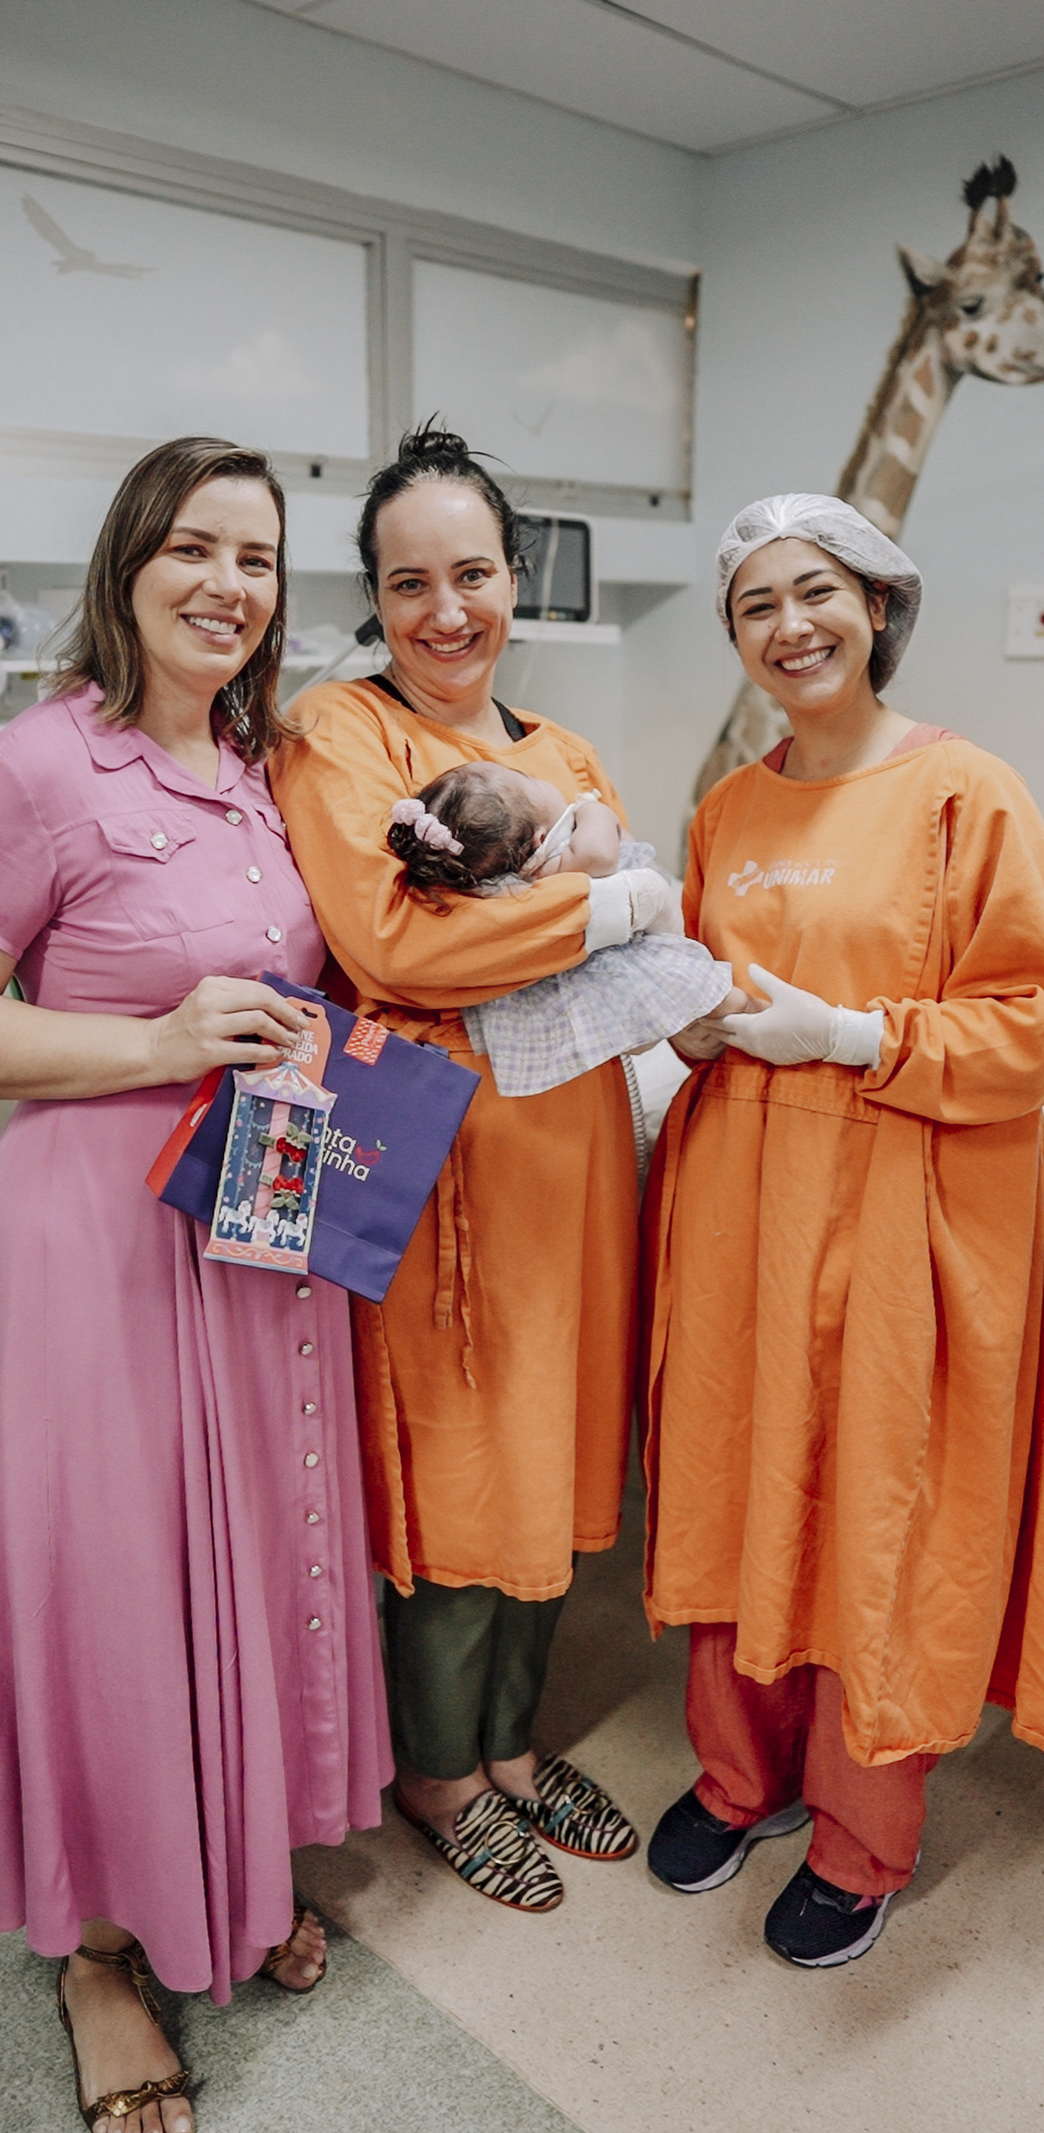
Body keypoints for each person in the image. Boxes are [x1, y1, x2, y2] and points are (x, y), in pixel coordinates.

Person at [0, 437, 392, 2131]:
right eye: (193, 546)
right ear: (128, 562)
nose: (227, 583)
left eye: (258, 556)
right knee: (116, 1578)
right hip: (96, 1238)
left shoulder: (258, 770)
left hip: (252, 1214)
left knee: (238, 1547)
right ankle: (100, 1948)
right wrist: (155, 1042)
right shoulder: (35, 768)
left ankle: (224, 1869)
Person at [641, 493, 1044, 1968]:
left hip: (897, 1204)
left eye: (817, 592)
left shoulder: (968, 793)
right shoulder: (726, 813)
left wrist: (857, 1034)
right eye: (755, 604)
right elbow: (703, 994)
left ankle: (861, 1839)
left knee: (876, 1510)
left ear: (878, 606)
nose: (789, 626)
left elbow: (1029, 1023)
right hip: (741, 1206)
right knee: (739, 1479)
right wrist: (683, 1024)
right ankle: (740, 1779)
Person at [269, 424, 650, 1910]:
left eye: (473, 573)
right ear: (374, 594)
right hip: (434, 1170)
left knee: (558, 1448)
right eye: (409, 581)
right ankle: (437, 1771)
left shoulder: (564, 753)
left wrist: (594, 916)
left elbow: (616, 937)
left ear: (514, 577)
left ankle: (509, 1748)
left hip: (575, 1163)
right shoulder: (341, 732)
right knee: (460, 1466)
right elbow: (392, 943)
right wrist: (599, 906)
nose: (446, 610)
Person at [387, 761, 747, 1097]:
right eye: (530, 780)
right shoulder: (557, 858)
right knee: (712, 991)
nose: (541, 778)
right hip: (621, 957)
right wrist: (593, 809)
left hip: (597, 974)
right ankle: (745, 1016)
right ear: (540, 839)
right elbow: (599, 857)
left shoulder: (491, 880)